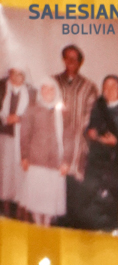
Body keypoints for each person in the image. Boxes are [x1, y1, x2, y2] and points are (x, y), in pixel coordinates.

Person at [66, 74, 118, 231]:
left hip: (115, 162)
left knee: (111, 201)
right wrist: (91, 134)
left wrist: (117, 142)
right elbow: (89, 129)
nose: (108, 90)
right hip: (96, 161)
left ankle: (109, 230)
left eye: (113, 86)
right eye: (105, 86)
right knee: (90, 199)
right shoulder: (98, 106)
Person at [18, 80, 66, 227]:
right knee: (36, 198)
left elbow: (69, 137)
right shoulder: (32, 109)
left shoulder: (62, 111)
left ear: (56, 92)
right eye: (45, 89)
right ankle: (38, 225)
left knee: (50, 198)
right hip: (36, 160)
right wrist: (24, 156)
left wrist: (67, 161)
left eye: (51, 89)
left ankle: (47, 225)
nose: (48, 92)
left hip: (56, 161)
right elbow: (24, 134)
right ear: (40, 91)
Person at [53, 43, 96, 182]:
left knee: (73, 182)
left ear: (80, 62)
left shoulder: (88, 86)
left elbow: (91, 113)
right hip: (55, 136)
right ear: (63, 60)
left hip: (78, 139)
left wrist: (79, 130)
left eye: (75, 58)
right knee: (54, 178)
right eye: (68, 58)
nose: (71, 61)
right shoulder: (53, 82)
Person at [0, 67, 30, 219]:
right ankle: (4, 208)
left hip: (22, 140)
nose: (17, 77)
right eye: (14, 73)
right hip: (4, 137)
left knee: (20, 174)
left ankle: (20, 209)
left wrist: (19, 118)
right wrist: (4, 118)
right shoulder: (2, 89)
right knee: (5, 173)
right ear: (9, 74)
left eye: (20, 74)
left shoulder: (30, 93)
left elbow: (33, 115)